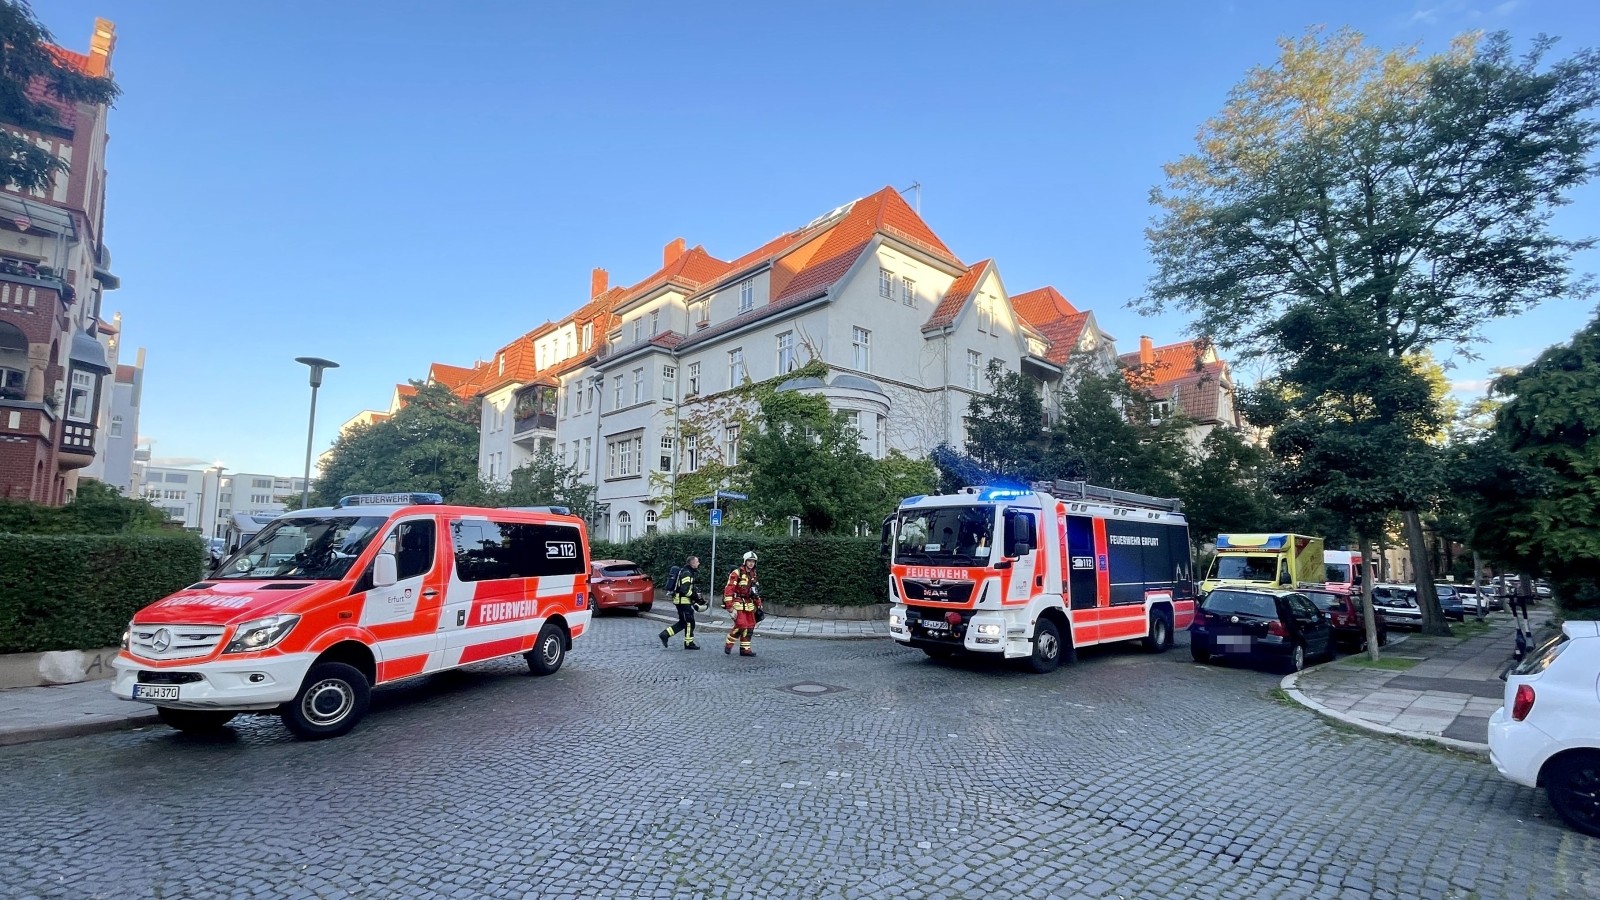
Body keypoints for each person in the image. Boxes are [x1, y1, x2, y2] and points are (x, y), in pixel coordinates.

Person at [657, 556, 702, 650]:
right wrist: (696, 597)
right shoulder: (687, 573)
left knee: (683, 622)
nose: (699, 563)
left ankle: (665, 634)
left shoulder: (687, 571)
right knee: (689, 621)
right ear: (692, 563)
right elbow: (684, 590)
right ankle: (689, 643)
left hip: (682, 600)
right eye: (697, 562)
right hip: (683, 601)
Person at [723, 550, 762, 657]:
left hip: (749, 603)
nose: (751, 563)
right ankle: (729, 643)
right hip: (738, 602)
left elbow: (755, 591)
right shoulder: (736, 573)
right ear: (745, 561)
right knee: (741, 624)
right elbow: (729, 589)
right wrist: (729, 607)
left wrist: (758, 604)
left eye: (753, 562)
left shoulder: (753, 574)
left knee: (750, 626)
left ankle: (745, 649)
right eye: (749, 561)